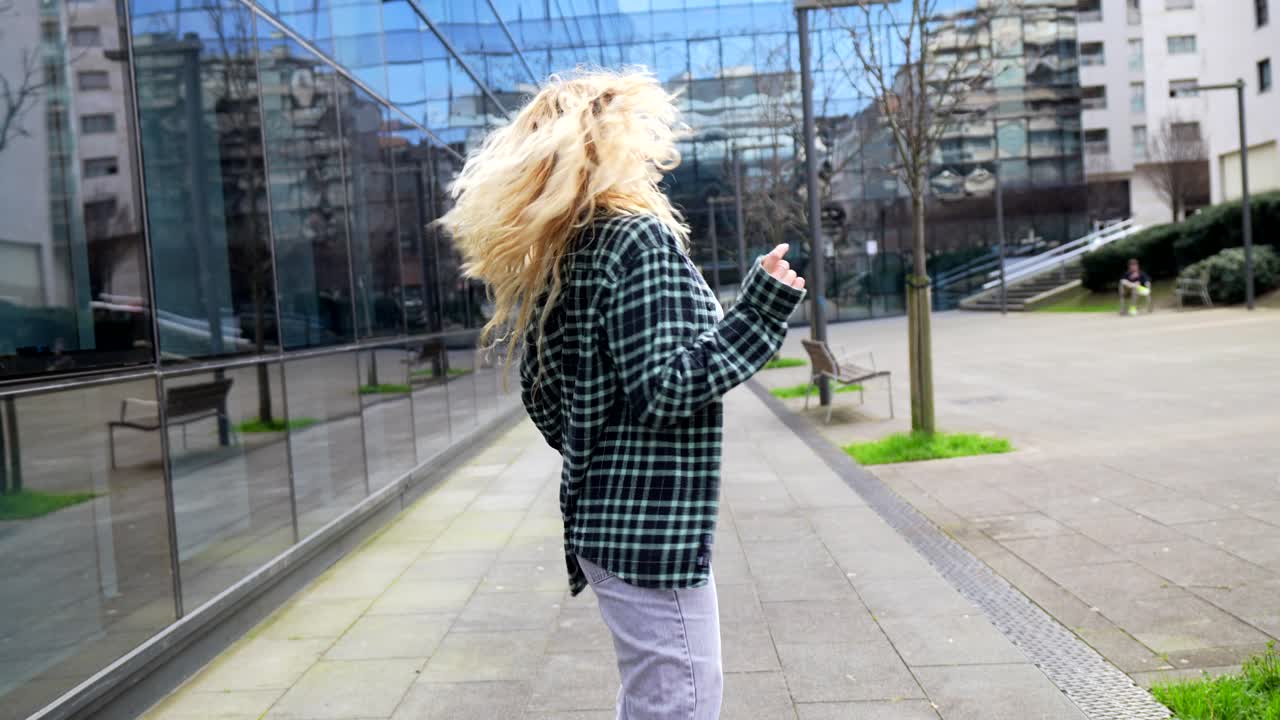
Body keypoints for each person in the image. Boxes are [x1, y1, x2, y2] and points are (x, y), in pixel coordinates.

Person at [439, 70, 807, 720]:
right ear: (612, 146)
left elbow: (546, 397)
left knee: (659, 699)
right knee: (682, 703)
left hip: (607, 524)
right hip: (647, 531)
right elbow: (665, 387)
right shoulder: (635, 240)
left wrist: (603, 444)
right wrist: (763, 308)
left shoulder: (571, 251)